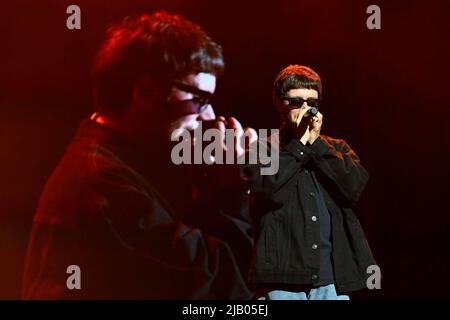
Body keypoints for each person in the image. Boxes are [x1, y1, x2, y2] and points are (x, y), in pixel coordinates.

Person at [22, 11, 256, 299]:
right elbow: (220, 287)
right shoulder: (104, 186)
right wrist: (232, 192)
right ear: (145, 93)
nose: (210, 116)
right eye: (200, 100)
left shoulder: (107, 165)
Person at [241, 65, 377, 300]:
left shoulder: (336, 148)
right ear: (279, 104)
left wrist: (316, 145)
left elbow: (352, 188)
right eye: (296, 102)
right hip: (282, 280)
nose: (305, 110)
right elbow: (267, 191)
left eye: (311, 103)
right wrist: (300, 145)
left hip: (332, 281)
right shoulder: (262, 148)